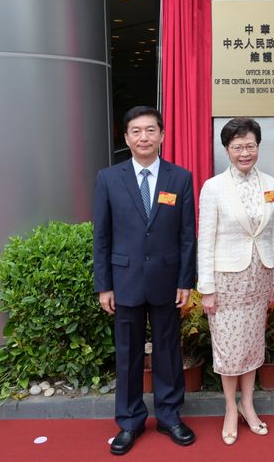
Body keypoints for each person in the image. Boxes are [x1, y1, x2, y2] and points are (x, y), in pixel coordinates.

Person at [93, 106, 196, 455]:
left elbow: (186, 236)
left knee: (168, 351)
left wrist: (186, 281)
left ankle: (169, 416)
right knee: (128, 354)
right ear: (126, 137)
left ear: (162, 135)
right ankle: (130, 421)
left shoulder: (180, 178)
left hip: (167, 280)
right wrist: (104, 285)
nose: (144, 137)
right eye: (136, 131)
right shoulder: (109, 178)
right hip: (125, 280)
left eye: (150, 130)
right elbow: (102, 237)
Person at [197, 118, 274, 445]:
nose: (244, 152)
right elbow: (205, 241)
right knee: (229, 348)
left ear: (258, 147)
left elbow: (273, 233)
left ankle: (248, 403)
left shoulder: (271, 183)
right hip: (226, 281)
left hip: (259, 277)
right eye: (237, 147)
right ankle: (230, 408)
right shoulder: (213, 187)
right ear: (227, 150)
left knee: (251, 344)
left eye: (250, 146)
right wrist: (206, 287)